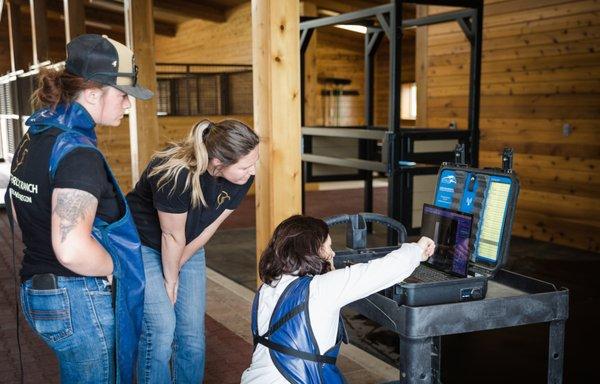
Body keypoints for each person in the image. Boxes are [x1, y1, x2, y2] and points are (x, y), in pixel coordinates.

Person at [5, 34, 152, 383]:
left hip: (38, 288)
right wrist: (115, 265)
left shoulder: (37, 135)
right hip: (75, 297)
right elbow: (71, 250)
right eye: (122, 95)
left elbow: (16, 208)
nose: (128, 105)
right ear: (92, 93)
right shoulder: (79, 154)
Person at [126, 119, 259, 383]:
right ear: (218, 162)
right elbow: (171, 235)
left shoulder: (243, 177)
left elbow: (209, 228)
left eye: (254, 162)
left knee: (191, 335)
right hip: (143, 244)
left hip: (187, 244)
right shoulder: (173, 172)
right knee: (162, 328)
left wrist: (175, 272)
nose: (252, 170)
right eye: (245, 165)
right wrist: (170, 281)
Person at [241, 215, 436, 384]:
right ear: (312, 252)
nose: (332, 253)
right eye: (328, 247)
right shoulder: (319, 289)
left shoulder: (267, 288)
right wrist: (417, 249)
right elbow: (380, 271)